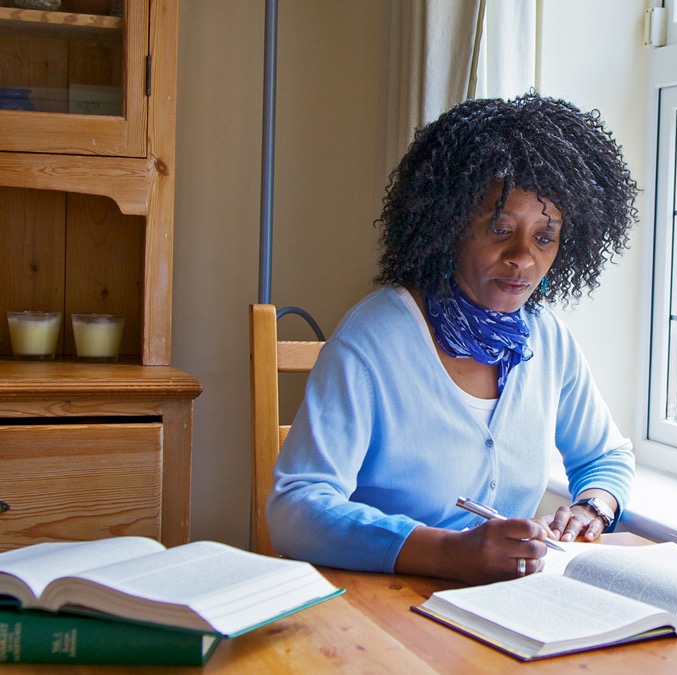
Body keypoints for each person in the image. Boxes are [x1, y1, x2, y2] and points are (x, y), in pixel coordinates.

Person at [266, 92, 639, 585]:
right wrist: (449, 552)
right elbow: (295, 508)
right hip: (383, 606)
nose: (523, 257)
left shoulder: (550, 340)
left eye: (544, 237)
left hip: (502, 605)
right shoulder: (372, 340)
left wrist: (593, 507)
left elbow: (606, 456)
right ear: (448, 227)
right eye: (500, 229)